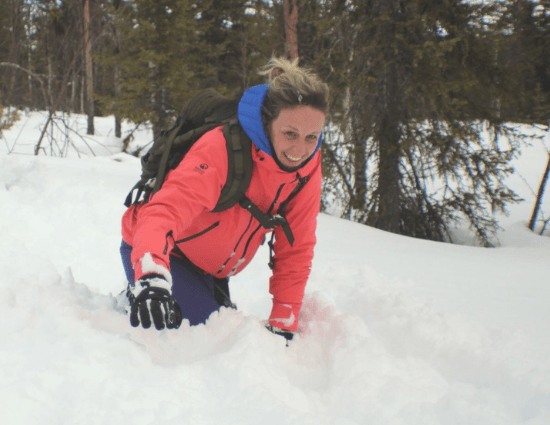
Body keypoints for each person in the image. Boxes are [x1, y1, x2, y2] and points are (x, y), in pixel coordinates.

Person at [120, 57, 329, 340]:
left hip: (213, 270)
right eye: (290, 133)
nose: (299, 149)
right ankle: (136, 293)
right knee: (206, 337)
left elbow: (296, 247)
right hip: (165, 253)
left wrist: (284, 319)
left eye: (311, 137)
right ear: (267, 123)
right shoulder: (222, 148)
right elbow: (164, 211)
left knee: (226, 331)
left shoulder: (306, 167)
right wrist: (152, 277)